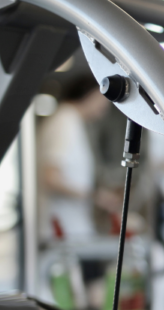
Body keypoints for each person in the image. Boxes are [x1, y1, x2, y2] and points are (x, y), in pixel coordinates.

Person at [37, 74, 111, 243]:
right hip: (62, 227)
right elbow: (50, 177)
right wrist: (95, 196)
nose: (106, 106)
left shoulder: (73, 121)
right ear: (90, 94)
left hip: (73, 226)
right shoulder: (64, 120)